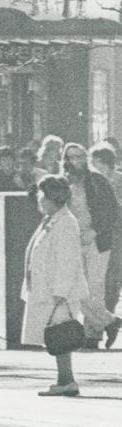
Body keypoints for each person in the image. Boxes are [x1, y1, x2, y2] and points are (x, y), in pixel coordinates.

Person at [23, 175, 107, 396]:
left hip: (59, 291)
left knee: (59, 335)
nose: (38, 199)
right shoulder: (53, 219)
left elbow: (68, 260)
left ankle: (67, 381)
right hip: (50, 288)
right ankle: (65, 380)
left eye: (42, 195)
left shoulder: (66, 222)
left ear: (50, 197)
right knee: (58, 335)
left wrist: (60, 291)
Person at [58, 142, 119, 345]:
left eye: (79, 156)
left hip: (96, 241)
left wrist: (94, 231)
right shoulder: (62, 182)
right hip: (72, 241)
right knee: (74, 288)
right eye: (71, 157)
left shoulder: (96, 180)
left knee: (94, 288)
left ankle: (92, 335)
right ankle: (109, 321)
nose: (75, 161)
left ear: (86, 158)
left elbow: (112, 210)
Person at [90, 144, 122, 336]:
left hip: (117, 237)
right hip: (100, 236)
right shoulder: (93, 182)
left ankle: (106, 323)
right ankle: (100, 326)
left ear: (105, 163)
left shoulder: (118, 181)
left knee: (111, 282)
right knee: (98, 282)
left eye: (95, 163)